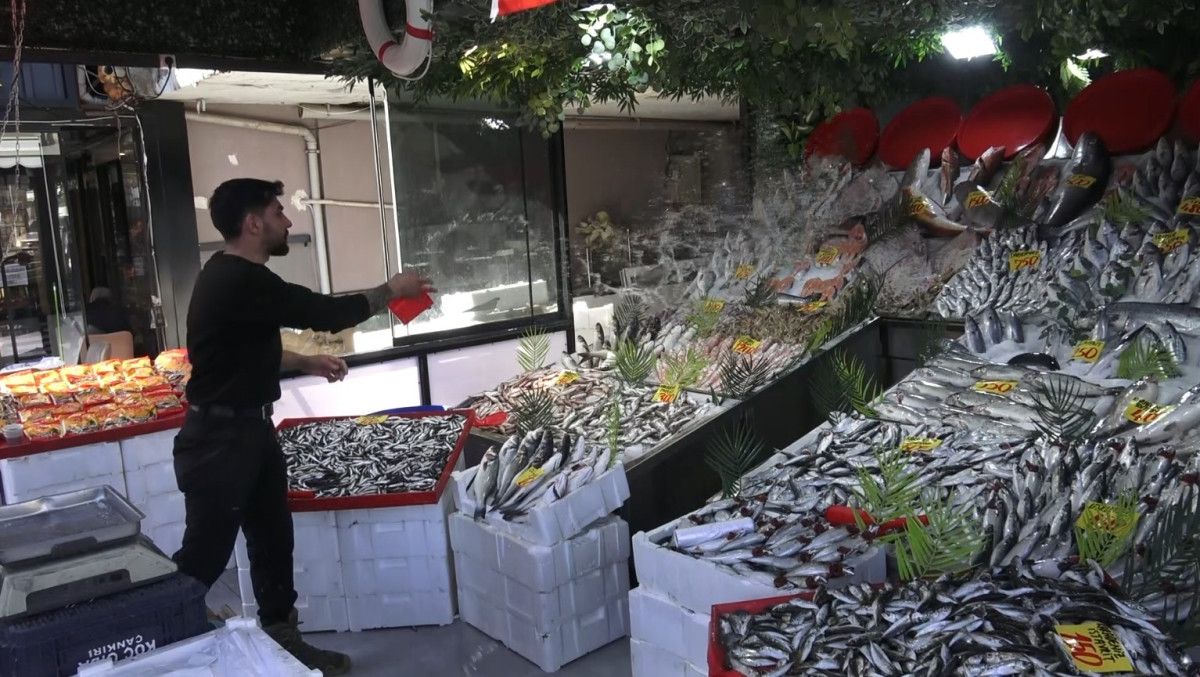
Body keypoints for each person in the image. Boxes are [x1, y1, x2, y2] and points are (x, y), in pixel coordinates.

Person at [173, 178, 435, 675]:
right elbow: (325, 313)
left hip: (249, 433)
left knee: (273, 539)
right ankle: (158, 646)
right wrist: (391, 290)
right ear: (253, 224)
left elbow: (246, 349)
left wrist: (305, 362)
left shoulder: (233, 277)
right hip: (219, 442)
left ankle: (283, 641)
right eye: (278, 212)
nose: (288, 221)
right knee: (203, 557)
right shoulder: (240, 279)